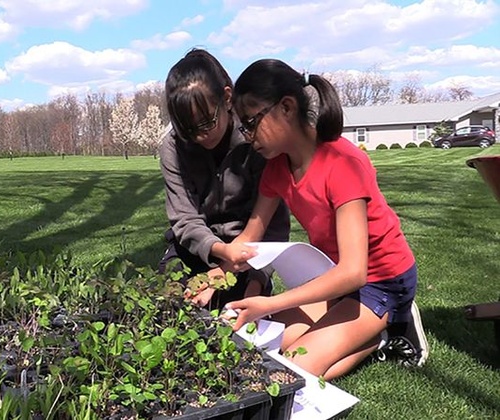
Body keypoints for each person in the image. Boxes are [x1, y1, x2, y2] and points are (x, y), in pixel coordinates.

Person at [221, 59, 429, 380]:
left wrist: (271, 303)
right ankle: (363, 323)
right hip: (332, 276)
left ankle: (386, 330)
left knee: (292, 366)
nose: (247, 136)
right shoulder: (276, 168)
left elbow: (355, 272)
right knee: (262, 346)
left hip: (380, 281)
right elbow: (249, 237)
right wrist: (211, 280)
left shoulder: (344, 163)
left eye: (250, 122)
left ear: (286, 108)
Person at [158, 49, 291, 311]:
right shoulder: (172, 147)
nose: (200, 136)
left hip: (248, 255)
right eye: (189, 130)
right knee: (169, 313)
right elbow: (184, 220)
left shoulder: (258, 142)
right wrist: (220, 253)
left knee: (235, 324)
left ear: (227, 97)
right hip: (193, 251)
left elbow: (273, 226)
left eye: (207, 122)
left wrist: (257, 284)